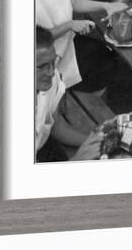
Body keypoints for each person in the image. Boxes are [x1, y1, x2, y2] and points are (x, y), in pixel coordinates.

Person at [35, 26, 104, 161]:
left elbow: (57, 127)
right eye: (42, 66)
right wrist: (78, 159)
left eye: (53, 62)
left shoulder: (51, 79)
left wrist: (95, 142)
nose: (50, 72)